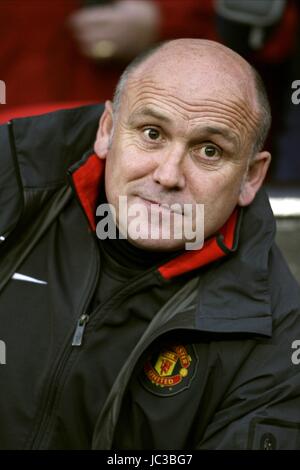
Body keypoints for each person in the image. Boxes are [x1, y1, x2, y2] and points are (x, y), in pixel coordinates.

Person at [0, 39, 299, 450]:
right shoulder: (10, 185)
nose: (168, 174)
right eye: (152, 133)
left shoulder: (279, 339)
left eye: (209, 150)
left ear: (251, 176)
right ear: (106, 130)